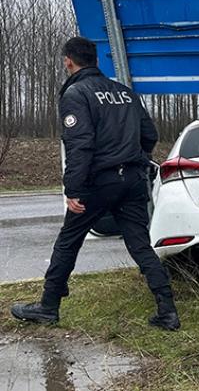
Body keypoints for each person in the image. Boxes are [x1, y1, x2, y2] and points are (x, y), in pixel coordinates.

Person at [10, 37, 179, 331]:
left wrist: (73, 188)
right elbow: (149, 134)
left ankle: (48, 306)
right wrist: (138, 159)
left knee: (68, 240)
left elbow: (81, 145)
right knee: (140, 244)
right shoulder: (125, 93)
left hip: (99, 182)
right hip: (132, 180)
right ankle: (167, 309)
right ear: (97, 61)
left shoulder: (76, 94)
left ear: (68, 61)